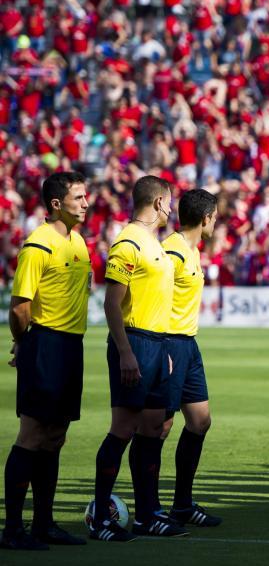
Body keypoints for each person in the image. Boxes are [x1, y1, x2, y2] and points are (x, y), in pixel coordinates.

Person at [90, 176, 186, 542]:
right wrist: (127, 353)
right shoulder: (128, 242)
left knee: (154, 428)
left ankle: (146, 516)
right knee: (123, 429)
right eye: (170, 202)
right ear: (160, 202)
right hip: (134, 343)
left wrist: (164, 352)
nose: (171, 208)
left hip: (157, 346)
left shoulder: (154, 244)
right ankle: (101, 518)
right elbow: (112, 303)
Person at [2, 172, 90, 550]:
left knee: (56, 436)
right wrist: (24, 342)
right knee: (33, 434)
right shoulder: (38, 245)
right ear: (56, 203)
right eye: (79, 197)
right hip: (45, 345)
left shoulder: (79, 242)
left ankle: (44, 524)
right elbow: (20, 306)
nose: (86, 203)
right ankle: (13, 529)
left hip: (71, 346)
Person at [159, 189, 222, 526]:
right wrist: (161, 347)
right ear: (206, 218)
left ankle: (182, 505)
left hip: (188, 344)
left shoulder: (191, 250)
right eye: (216, 216)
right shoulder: (171, 252)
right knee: (160, 426)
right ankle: (151, 508)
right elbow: (153, 299)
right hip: (169, 343)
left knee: (199, 421)